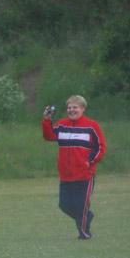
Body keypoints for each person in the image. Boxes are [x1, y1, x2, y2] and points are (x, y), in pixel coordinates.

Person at [42, 95, 107, 239]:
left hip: (85, 174)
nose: (72, 110)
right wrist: (47, 120)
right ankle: (86, 216)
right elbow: (49, 136)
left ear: (83, 109)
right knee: (64, 205)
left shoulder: (92, 126)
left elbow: (101, 147)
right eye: (69, 107)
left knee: (81, 205)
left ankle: (84, 234)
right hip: (66, 175)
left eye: (75, 107)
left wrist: (89, 162)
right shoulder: (62, 124)